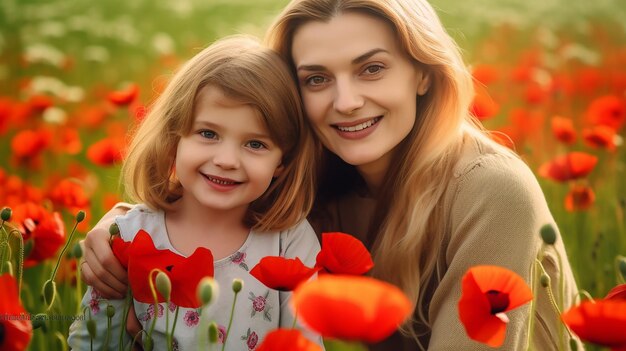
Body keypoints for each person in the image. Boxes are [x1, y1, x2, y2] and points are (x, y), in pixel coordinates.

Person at [81, 0, 581, 350]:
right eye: (316, 79)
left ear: (424, 73)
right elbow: (212, 215)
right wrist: (124, 228)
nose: (345, 102)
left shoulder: (492, 192)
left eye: (372, 69)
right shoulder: (315, 181)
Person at [69, 35, 321, 350]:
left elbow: (305, 343)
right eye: (208, 133)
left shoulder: (289, 241)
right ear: (174, 138)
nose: (227, 160)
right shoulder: (132, 236)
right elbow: (95, 342)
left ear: (282, 161)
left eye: (255, 144)